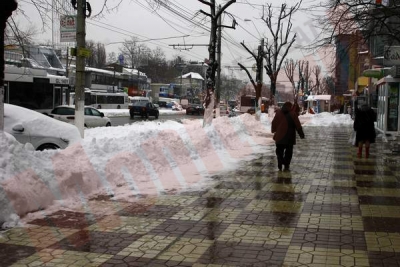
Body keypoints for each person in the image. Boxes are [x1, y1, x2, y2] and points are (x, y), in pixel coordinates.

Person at [271, 102, 305, 171]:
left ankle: (280, 162)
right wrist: (301, 134)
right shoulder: (293, 114)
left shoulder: (278, 113)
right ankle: (286, 165)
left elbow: (273, 123)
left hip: (279, 137)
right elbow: (298, 125)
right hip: (290, 138)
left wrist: (274, 130)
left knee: (279, 151)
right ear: (290, 107)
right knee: (288, 152)